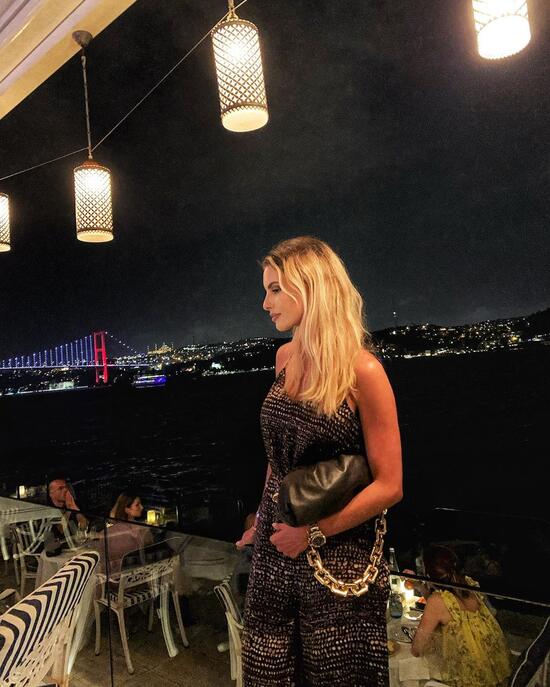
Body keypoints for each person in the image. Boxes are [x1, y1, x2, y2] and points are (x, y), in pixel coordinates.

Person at [238, 236, 403, 686]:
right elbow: (276, 458)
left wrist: (312, 533)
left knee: (335, 673)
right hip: (275, 547)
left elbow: (390, 484)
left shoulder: (362, 371)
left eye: (275, 289)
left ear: (310, 286)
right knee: (267, 670)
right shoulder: (283, 358)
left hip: (337, 556)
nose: (265, 303)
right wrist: (261, 519)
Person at [411, 545, 511, 687]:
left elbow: (417, 649)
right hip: (492, 670)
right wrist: (422, 588)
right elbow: (450, 606)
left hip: (469, 679)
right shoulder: (468, 584)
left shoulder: (437, 601)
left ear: (427, 574)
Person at [104, 492, 154, 574]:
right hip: (131, 572)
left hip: (128, 572)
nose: (142, 507)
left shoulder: (115, 530)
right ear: (127, 509)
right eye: (137, 505)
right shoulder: (140, 529)